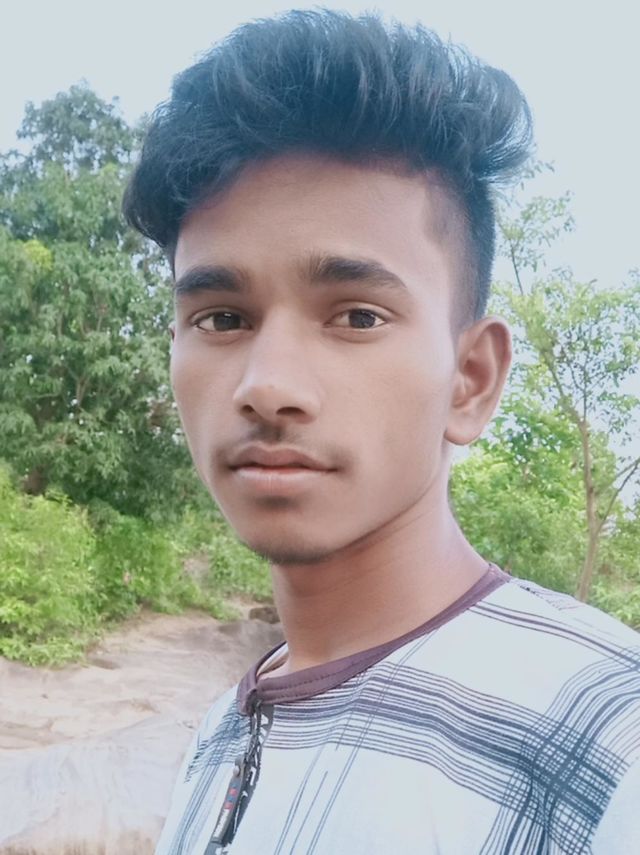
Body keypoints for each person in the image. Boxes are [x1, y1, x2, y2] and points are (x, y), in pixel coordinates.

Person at [123, 10, 640, 854]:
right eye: (222, 317)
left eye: (357, 315)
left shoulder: (605, 738)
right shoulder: (219, 735)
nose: (267, 386)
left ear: (471, 378)